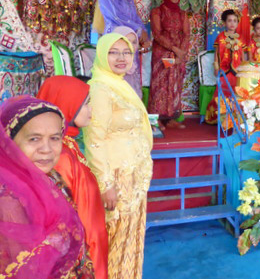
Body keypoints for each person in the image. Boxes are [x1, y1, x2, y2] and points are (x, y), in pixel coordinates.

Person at [83, 33, 153, 279]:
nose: (121, 58)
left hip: (134, 174)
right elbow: (94, 139)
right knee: (116, 239)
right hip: (117, 178)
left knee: (131, 237)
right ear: (102, 54)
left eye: (126, 52)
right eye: (113, 52)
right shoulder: (100, 88)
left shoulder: (119, 83)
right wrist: (106, 184)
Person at [0, 96, 94, 279]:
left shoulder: (51, 178)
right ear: (8, 142)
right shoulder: (8, 201)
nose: (47, 149)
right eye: (34, 139)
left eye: (55, 138)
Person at [37, 76, 109, 279]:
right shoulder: (60, 157)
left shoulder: (68, 144)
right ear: (67, 104)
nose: (91, 110)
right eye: (86, 104)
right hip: (83, 251)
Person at [149, 0, 190, 130]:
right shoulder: (157, 11)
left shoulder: (182, 14)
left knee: (175, 85)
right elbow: (157, 34)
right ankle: (156, 119)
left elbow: (186, 34)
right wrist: (174, 49)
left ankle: (170, 118)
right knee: (160, 84)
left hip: (179, 52)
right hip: (162, 52)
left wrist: (181, 53)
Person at [205, 9, 245, 125]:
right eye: (229, 21)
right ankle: (219, 118)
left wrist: (243, 69)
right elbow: (216, 54)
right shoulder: (220, 37)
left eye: (234, 21)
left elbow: (242, 56)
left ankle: (234, 119)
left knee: (235, 93)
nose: (232, 23)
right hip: (224, 70)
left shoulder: (240, 38)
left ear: (237, 23)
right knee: (221, 93)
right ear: (224, 23)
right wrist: (216, 67)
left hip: (237, 71)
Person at [112, 26, 143, 99]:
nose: (131, 45)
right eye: (127, 41)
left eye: (134, 42)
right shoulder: (111, 63)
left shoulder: (133, 64)